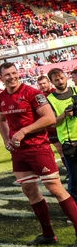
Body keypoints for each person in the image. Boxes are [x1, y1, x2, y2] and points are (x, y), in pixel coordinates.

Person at [0, 62, 77, 247]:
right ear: (1, 78)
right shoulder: (0, 98)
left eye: (14, 73)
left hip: (38, 148)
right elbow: (0, 119)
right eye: (7, 75)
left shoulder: (33, 93)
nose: (12, 77)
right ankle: (48, 234)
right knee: (29, 190)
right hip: (19, 152)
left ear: (18, 74)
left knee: (55, 189)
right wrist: (6, 139)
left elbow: (49, 119)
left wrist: (23, 131)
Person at [48, 68, 77, 199]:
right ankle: (75, 211)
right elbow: (53, 123)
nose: (60, 81)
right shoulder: (50, 99)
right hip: (70, 142)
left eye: (61, 78)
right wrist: (64, 114)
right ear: (52, 82)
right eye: (56, 80)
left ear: (66, 77)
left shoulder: (76, 91)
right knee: (75, 178)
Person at [40, 74, 66, 162]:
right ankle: (69, 171)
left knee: (67, 149)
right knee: (60, 150)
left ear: (49, 83)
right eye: (40, 84)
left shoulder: (56, 93)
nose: (42, 86)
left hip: (62, 124)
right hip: (51, 129)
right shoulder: (40, 96)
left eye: (44, 83)